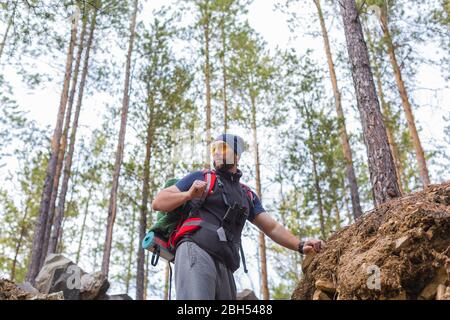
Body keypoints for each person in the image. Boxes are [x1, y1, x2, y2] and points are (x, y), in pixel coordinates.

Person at [152, 133, 323, 300]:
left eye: (223, 147)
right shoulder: (202, 177)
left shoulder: (246, 195)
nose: (217, 152)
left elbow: (272, 227)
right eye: (214, 149)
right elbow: (159, 202)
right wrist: (188, 195)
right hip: (196, 250)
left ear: (237, 155)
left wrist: (300, 245)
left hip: (226, 264)